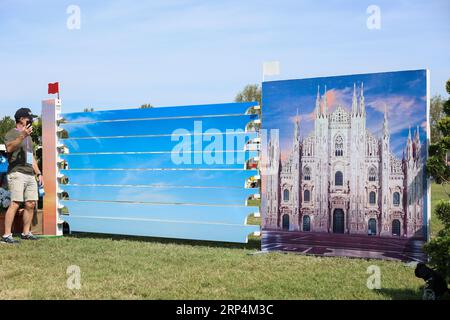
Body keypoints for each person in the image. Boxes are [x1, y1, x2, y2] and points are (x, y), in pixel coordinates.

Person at [1, 108, 43, 244]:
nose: (31, 120)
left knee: (31, 204)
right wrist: (22, 136)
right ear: (20, 119)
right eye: (29, 118)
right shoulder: (11, 133)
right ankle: (7, 236)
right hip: (16, 172)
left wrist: (38, 173)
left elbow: (31, 157)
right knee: (15, 203)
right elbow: (9, 148)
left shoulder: (30, 137)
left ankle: (26, 233)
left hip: (30, 174)